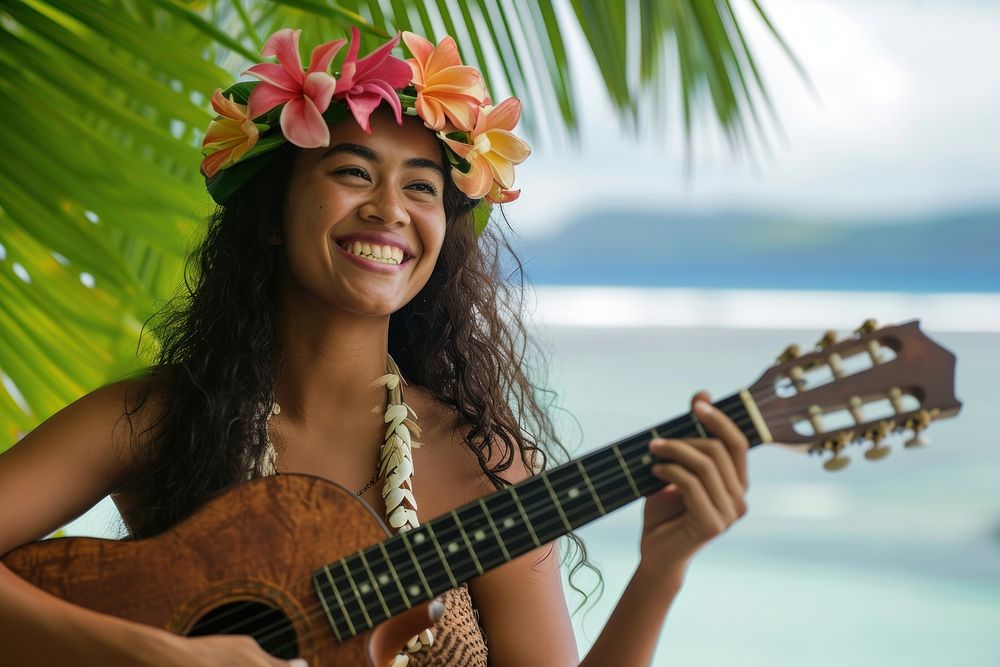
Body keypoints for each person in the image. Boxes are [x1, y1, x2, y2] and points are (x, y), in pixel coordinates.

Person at [0, 26, 748, 667]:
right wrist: (152, 654)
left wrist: (661, 568)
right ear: (271, 213)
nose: (389, 209)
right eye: (353, 171)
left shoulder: (478, 458)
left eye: (422, 188)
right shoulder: (162, 416)